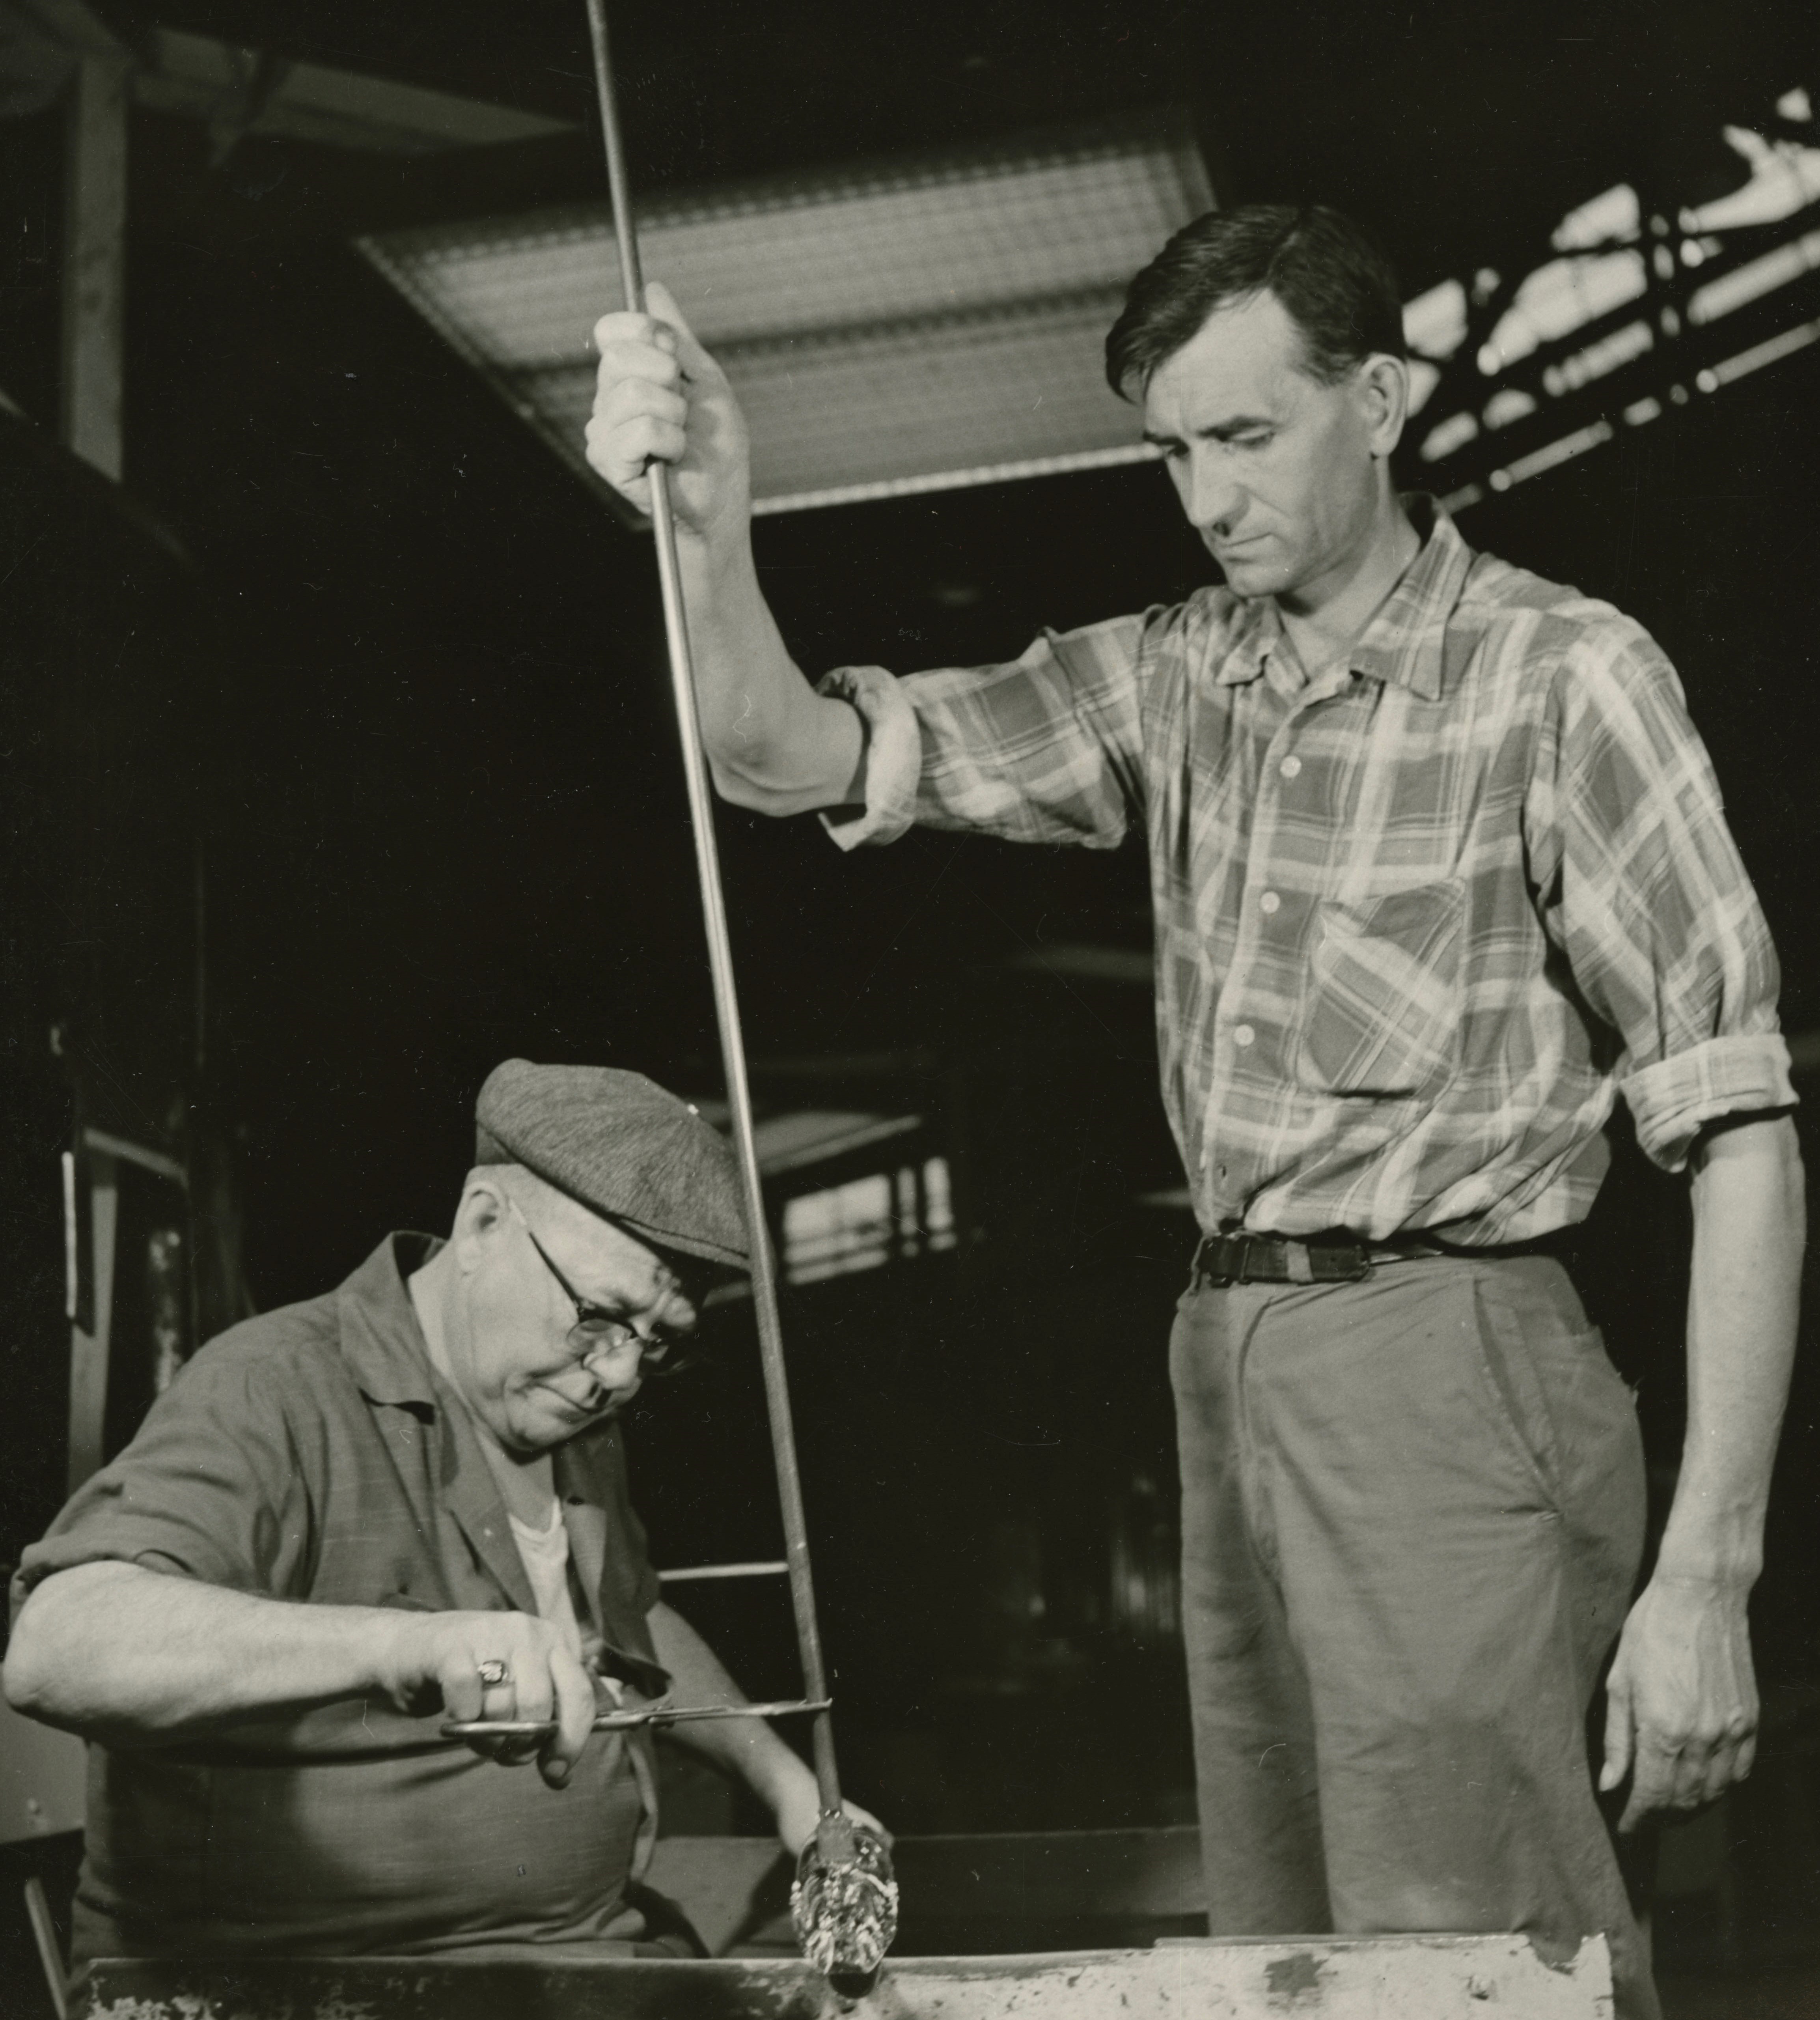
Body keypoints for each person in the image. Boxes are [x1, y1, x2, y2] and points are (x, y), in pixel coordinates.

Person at [581, 205, 1805, 2018]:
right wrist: (704, 519)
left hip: (1448, 1345)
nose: (1204, 493)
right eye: (1171, 449)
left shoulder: (1560, 676)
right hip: (1229, 1351)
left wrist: (1708, 1569)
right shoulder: (1171, 671)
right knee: (1291, 1958)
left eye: (1243, 434)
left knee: (1465, 1951)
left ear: (1376, 398)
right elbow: (780, 752)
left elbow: (1744, 1128)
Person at [6, 1058, 881, 1999]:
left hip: (580, 1957)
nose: (621, 1373)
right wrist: (410, 1643)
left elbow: (631, 1615)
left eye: (658, 1340)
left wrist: (792, 1787)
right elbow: (59, 1644)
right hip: (306, 1987)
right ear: (482, 1225)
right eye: (599, 1316)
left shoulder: (567, 1412)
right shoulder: (275, 1385)